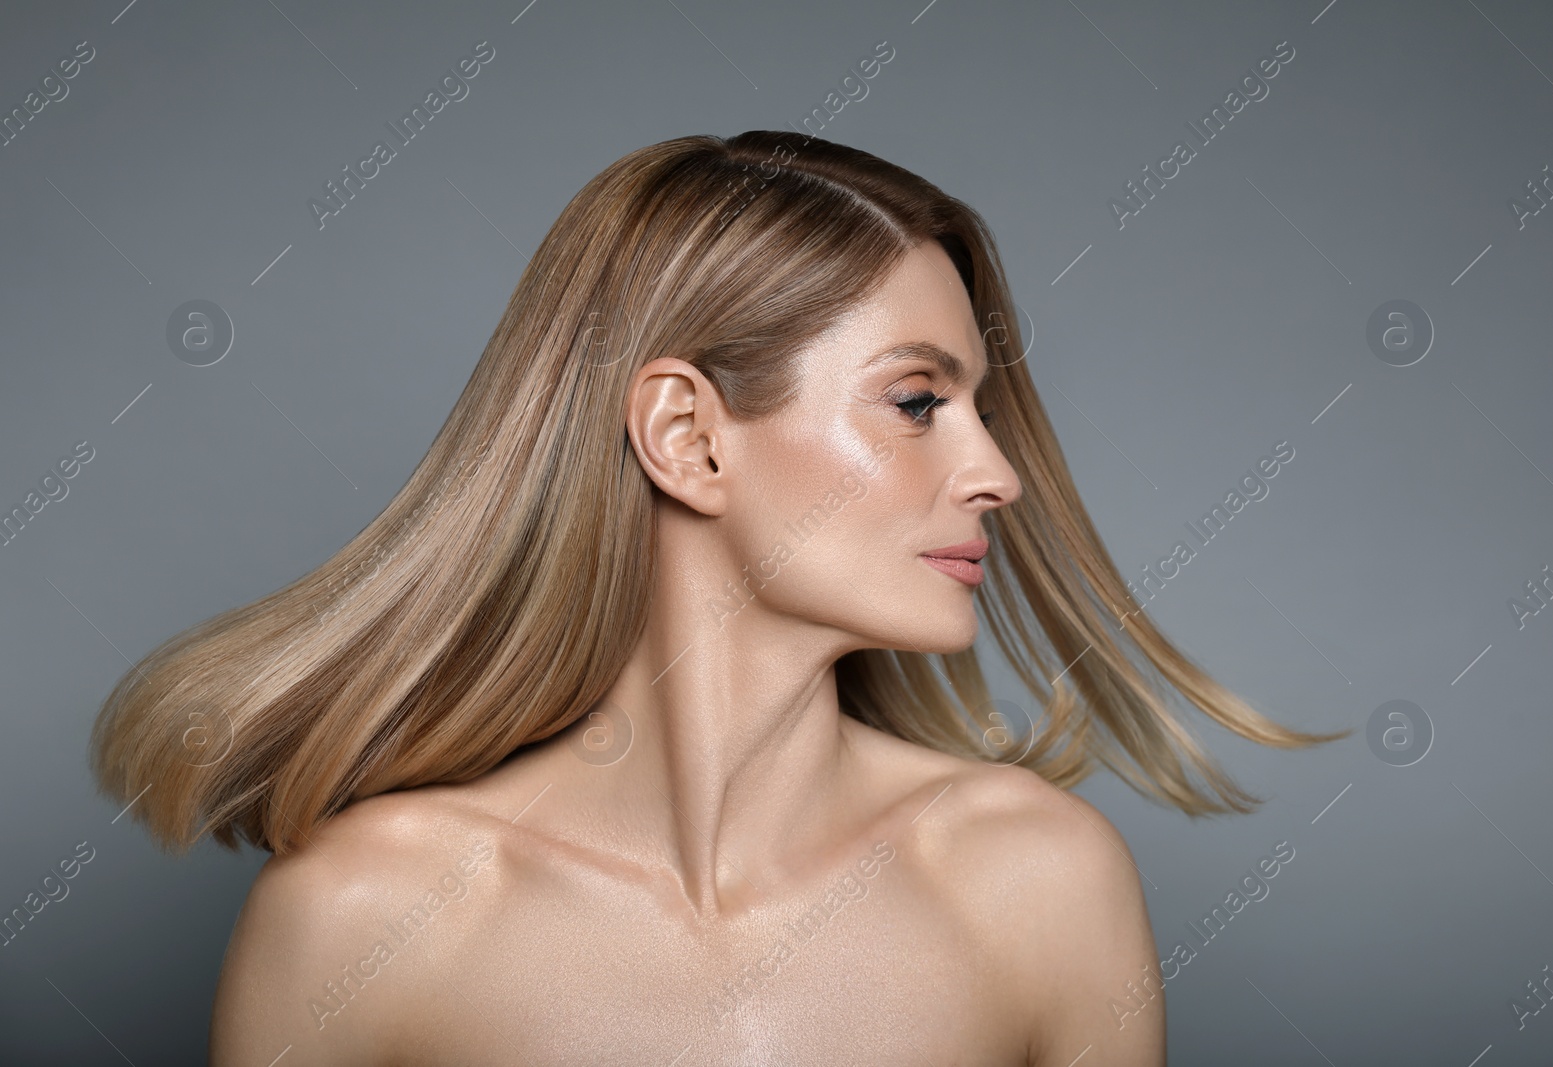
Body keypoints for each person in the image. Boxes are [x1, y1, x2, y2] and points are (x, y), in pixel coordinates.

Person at [90, 131, 1344, 1065]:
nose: (996, 472)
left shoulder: (1036, 879)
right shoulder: (365, 918)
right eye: (916, 403)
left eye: (980, 407)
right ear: (687, 435)